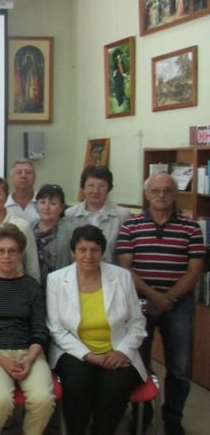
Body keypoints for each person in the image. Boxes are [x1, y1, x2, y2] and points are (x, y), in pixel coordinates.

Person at [116, 172, 204, 435]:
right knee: (138, 363)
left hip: (178, 306)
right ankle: (142, 414)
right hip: (140, 304)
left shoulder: (191, 228)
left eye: (167, 190)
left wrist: (168, 298)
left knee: (179, 367)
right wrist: (154, 297)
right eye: (155, 190)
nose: (161, 195)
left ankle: (173, 417)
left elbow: (195, 270)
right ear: (147, 194)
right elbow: (125, 268)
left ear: (175, 194)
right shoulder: (131, 226)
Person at [47, 225, 146, 435]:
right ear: (73, 252)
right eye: (82, 250)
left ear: (102, 252)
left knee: (112, 390)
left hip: (116, 350)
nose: (88, 256)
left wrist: (122, 352)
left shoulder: (121, 277)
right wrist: (89, 356)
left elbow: (137, 322)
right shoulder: (56, 279)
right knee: (78, 385)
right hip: (74, 352)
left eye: (95, 250)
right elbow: (56, 329)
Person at [0, 224, 55, 435]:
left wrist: (30, 359)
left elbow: (39, 329)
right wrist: (4, 361)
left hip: (29, 353)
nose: (6, 256)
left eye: (12, 251)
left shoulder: (31, 286)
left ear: (20, 254)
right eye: (1, 251)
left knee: (43, 400)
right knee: (1, 400)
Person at [65, 165, 130, 263]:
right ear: (83, 188)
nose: (95, 191)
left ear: (109, 189)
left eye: (101, 186)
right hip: (79, 270)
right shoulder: (70, 214)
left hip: (111, 271)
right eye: (91, 186)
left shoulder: (123, 215)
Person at [31, 183, 73, 288]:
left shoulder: (71, 231)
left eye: (53, 203)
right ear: (36, 206)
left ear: (61, 207)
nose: (46, 207)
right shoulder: (29, 227)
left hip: (61, 285)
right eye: (42, 202)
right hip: (33, 285)